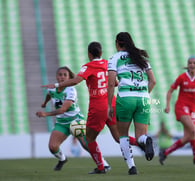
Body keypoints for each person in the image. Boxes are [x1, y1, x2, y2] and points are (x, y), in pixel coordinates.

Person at [41, 42, 138, 174]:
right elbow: (115, 83)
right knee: (119, 137)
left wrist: (56, 84)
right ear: (101, 53)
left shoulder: (88, 67)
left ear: (89, 54)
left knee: (90, 138)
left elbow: (76, 81)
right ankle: (142, 142)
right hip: (112, 104)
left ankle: (101, 167)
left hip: (98, 107)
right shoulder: (107, 63)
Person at [37, 66, 111, 171]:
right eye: (60, 74)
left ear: (68, 77)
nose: (62, 77)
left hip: (75, 121)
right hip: (61, 123)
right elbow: (49, 94)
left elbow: (63, 109)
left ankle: (104, 164)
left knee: (86, 144)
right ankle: (62, 159)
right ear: (56, 76)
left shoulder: (70, 90)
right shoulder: (52, 88)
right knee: (52, 147)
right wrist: (44, 103)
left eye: (64, 75)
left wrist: (46, 114)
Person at [107, 32, 156, 175]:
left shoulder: (114, 58)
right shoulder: (141, 58)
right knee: (140, 135)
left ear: (117, 43)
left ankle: (131, 167)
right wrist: (144, 94)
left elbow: (111, 84)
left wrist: (109, 105)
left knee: (123, 135)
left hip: (125, 98)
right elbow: (153, 81)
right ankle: (146, 140)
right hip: (143, 98)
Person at [159, 55, 195, 166]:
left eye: (194, 63)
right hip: (181, 107)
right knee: (193, 131)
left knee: (188, 137)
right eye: (190, 63)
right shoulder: (182, 77)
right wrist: (168, 105)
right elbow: (170, 91)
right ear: (187, 65)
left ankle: (165, 153)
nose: (191, 65)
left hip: (193, 108)